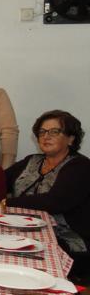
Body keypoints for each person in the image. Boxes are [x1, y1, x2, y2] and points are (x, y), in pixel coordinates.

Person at [6, 111, 90, 260]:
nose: (46, 136)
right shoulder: (31, 160)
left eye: (55, 132)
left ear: (70, 139)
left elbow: (55, 201)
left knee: (17, 253)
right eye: (42, 132)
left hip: (66, 237)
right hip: (22, 229)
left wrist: (7, 202)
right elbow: (0, 180)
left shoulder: (80, 166)